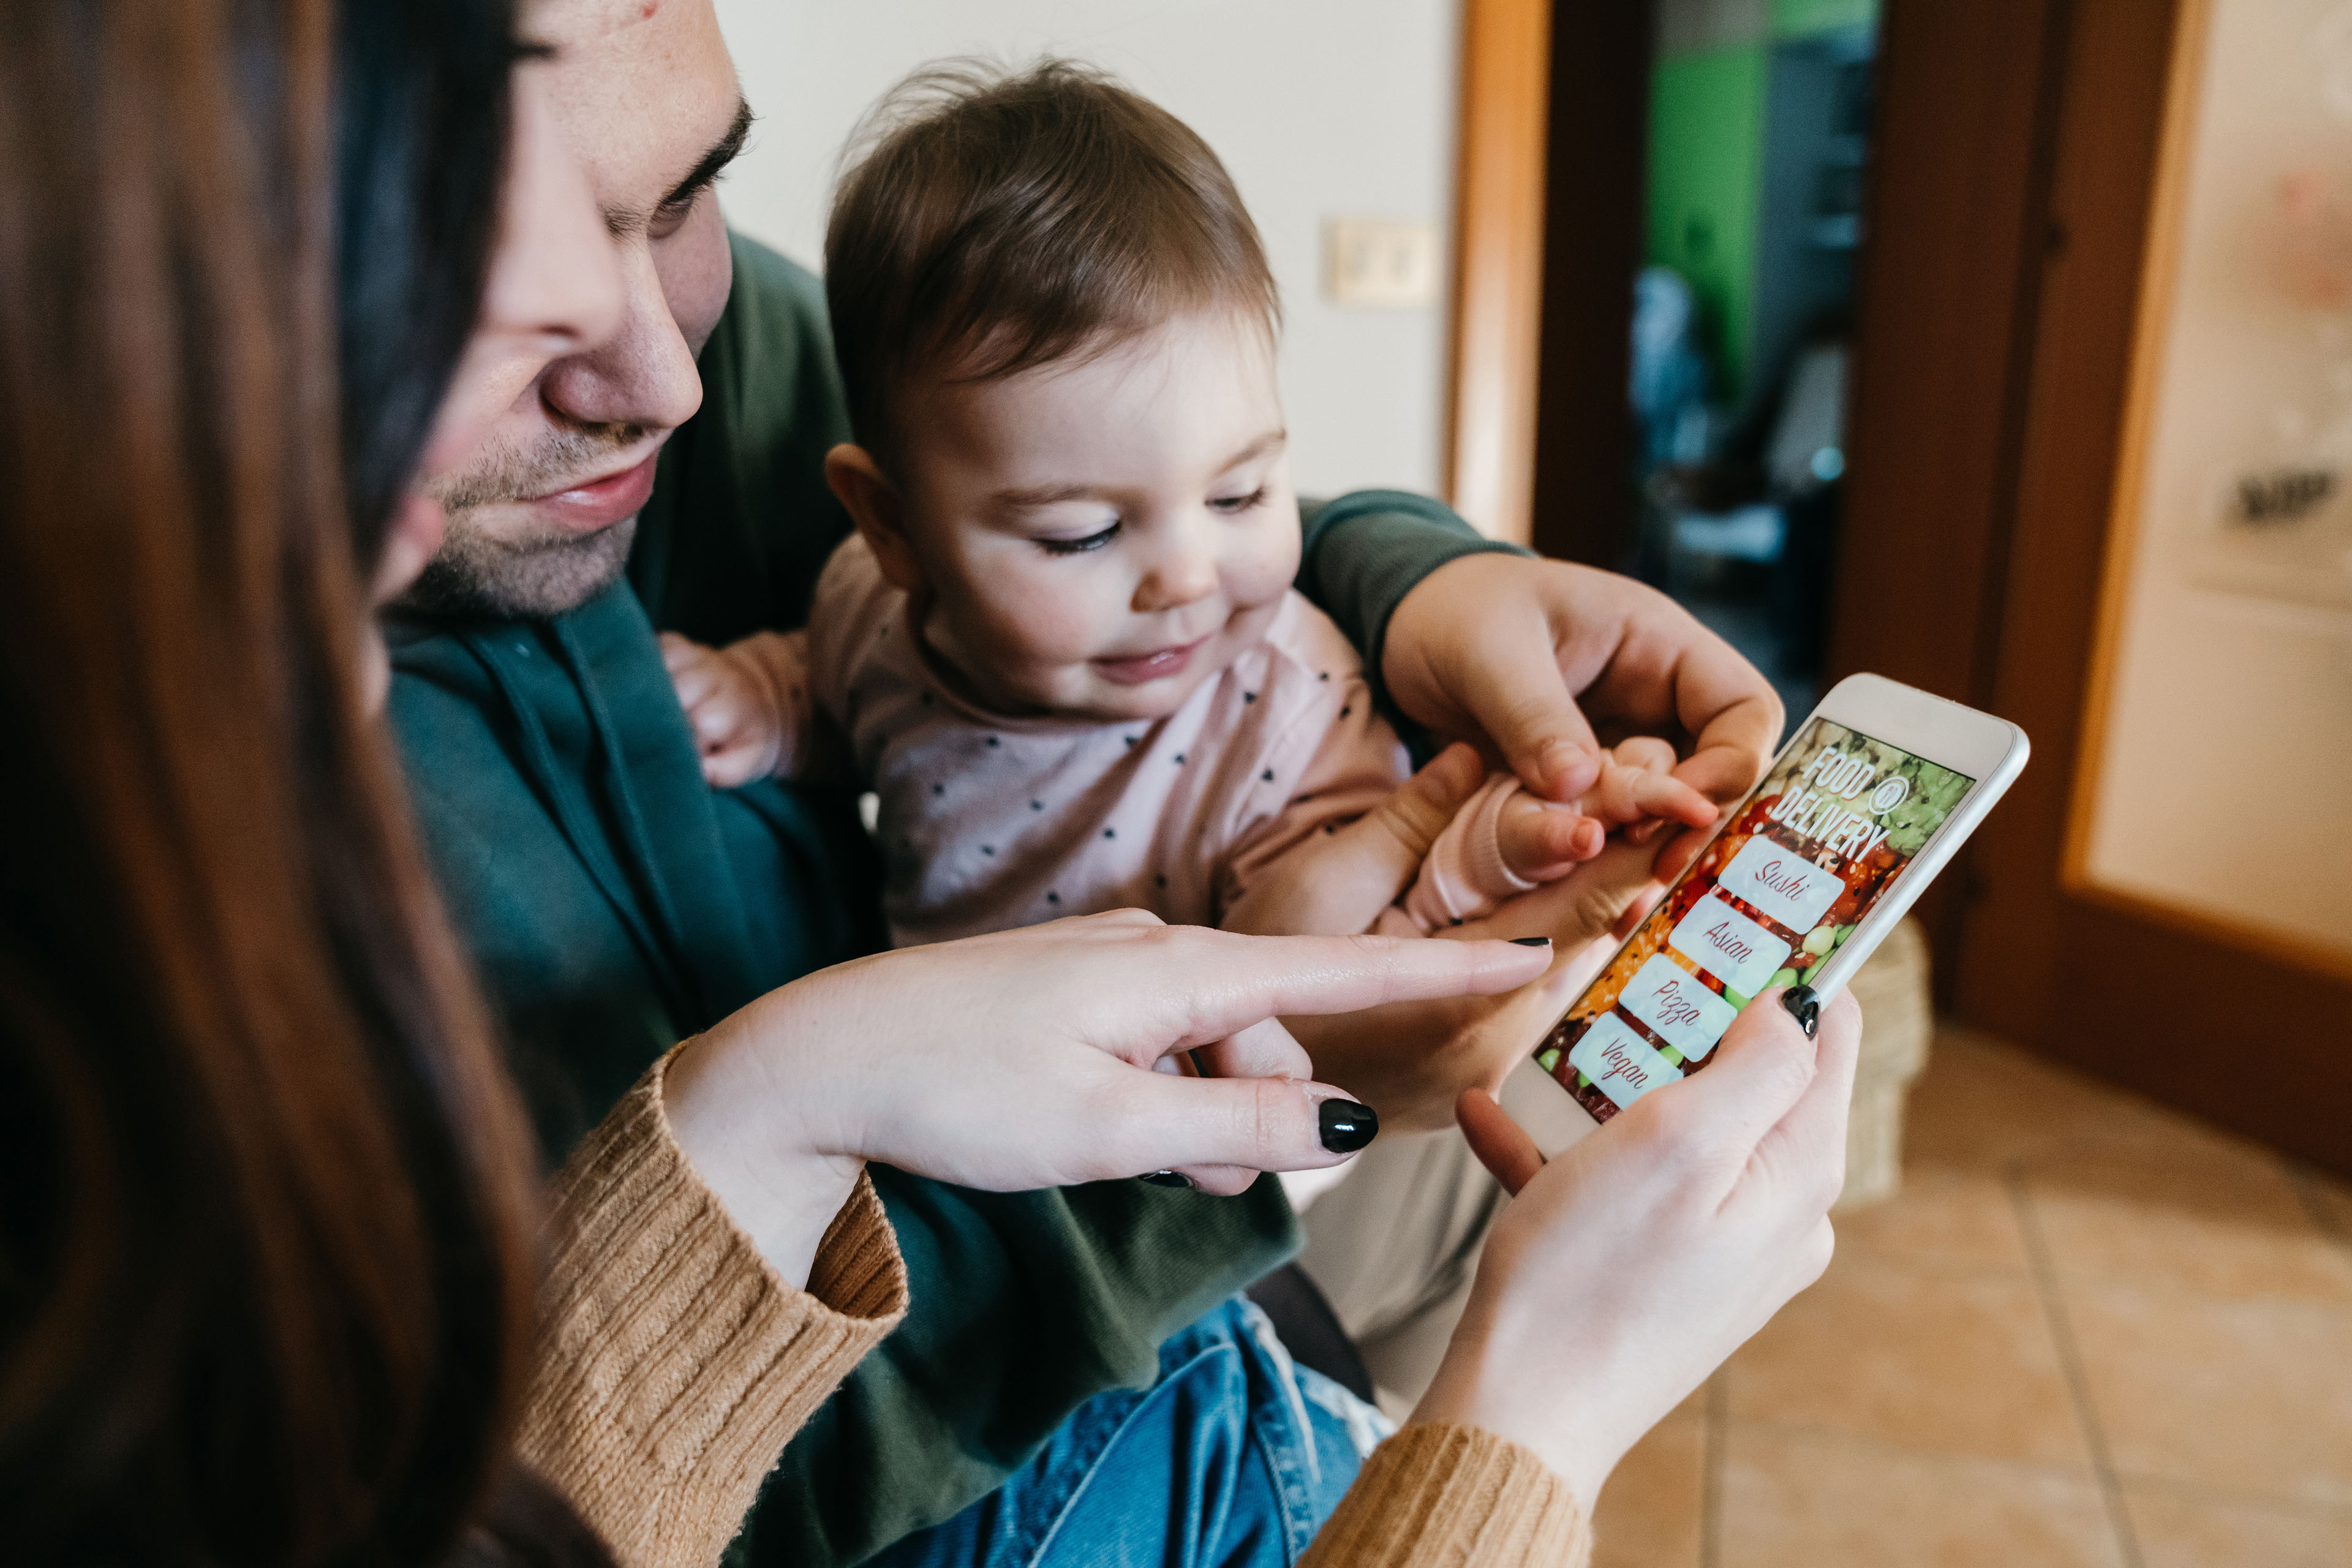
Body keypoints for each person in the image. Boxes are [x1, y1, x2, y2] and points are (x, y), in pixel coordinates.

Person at [0, 4, 1862, 1566]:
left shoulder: (694, 381)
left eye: (685, 196)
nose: (663, 377)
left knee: (1546, 1133)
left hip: (1112, 1186)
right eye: (479, 304)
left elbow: (1134, 456)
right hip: (985, 1338)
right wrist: (1523, 1422)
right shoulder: (157, 934)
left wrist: (1410, 570)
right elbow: (745, 1487)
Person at [660, 63, 1717, 951]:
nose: (1190, 578)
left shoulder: (1289, 705)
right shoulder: (866, 608)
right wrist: (761, 700)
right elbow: (838, 702)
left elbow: (1354, 914)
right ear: (893, 528)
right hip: (955, 1121)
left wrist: (1494, 838)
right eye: (1083, 533)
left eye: (1240, 492)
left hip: (1203, 1144)